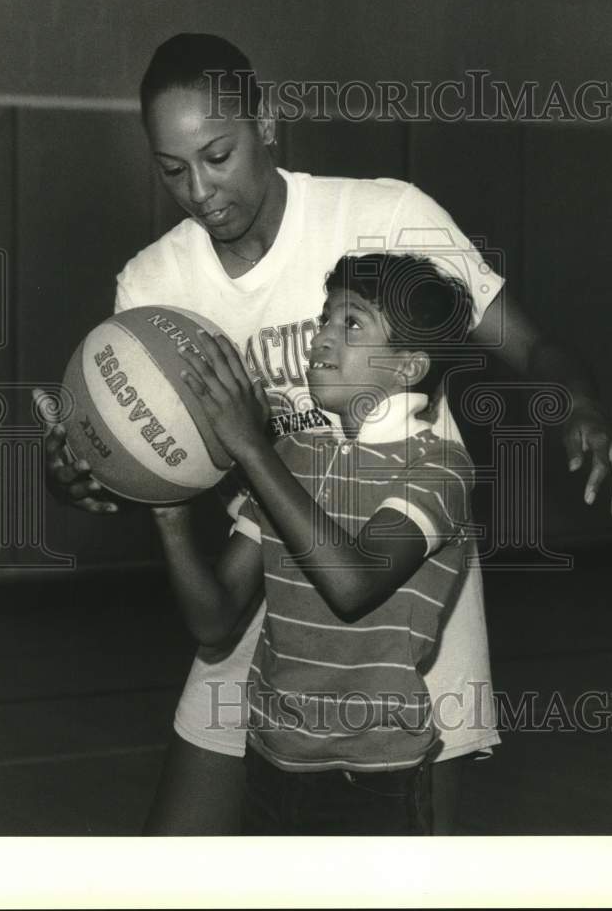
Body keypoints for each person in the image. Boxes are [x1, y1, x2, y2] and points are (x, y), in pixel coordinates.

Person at [35, 32, 612, 835]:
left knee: (404, 864)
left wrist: (582, 410)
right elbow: (140, 461)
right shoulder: (154, 284)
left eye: (217, 155)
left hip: (403, 586)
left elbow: (528, 345)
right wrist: (78, 473)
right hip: (269, 570)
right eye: (172, 169)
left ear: (268, 121)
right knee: (173, 858)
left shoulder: (386, 215)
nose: (200, 191)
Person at [154, 252, 478, 834]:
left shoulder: (439, 469)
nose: (320, 339)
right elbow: (214, 619)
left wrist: (251, 449)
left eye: (351, 324)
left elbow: (352, 584)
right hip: (269, 759)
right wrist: (167, 507)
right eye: (324, 320)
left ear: (408, 367)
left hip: (373, 777)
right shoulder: (292, 460)